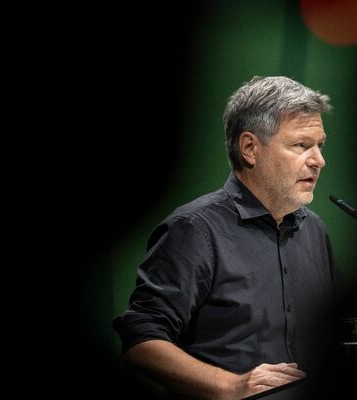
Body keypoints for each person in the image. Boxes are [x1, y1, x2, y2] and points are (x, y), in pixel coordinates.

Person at [113, 76, 340, 399]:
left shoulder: (314, 230)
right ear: (250, 148)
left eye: (320, 145)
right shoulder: (194, 229)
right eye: (301, 145)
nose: (319, 160)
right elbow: (141, 342)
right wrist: (230, 385)